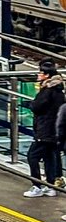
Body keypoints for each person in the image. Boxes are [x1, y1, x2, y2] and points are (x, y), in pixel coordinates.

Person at [23, 59, 65, 198]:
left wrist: (30, 103)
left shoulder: (47, 90)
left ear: (46, 75)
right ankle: (51, 185)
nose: (38, 76)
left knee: (32, 156)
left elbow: (37, 107)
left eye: (40, 73)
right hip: (55, 130)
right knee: (49, 157)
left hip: (44, 129)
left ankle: (37, 185)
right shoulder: (59, 91)